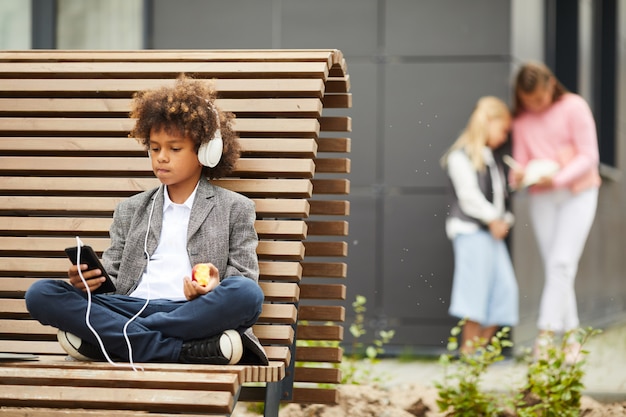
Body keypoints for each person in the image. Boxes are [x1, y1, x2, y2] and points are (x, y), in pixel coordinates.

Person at [25, 75, 268, 366]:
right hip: (128, 308)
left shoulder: (235, 208)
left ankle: (114, 342)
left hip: (191, 310)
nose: (161, 158)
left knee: (247, 295)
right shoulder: (131, 209)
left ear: (205, 151)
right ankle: (178, 350)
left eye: (174, 149)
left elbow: (244, 280)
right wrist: (87, 284)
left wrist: (211, 289)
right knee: (41, 294)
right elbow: (113, 284)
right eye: (154, 148)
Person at [510, 61, 601, 362]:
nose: (535, 105)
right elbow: (521, 162)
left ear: (550, 85)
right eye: (528, 101)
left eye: (538, 98)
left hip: (578, 193)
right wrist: (520, 176)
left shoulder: (574, 107)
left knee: (561, 263)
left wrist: (559, 178)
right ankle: (572, 339)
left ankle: (544, 339)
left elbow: (589, 155)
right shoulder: (521, 121)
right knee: (558, 269)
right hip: (542, 197)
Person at [441, 96, 519, 355]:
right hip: (471, 232)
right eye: (503, 129)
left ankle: (478, 355)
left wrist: (504, 218)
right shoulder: (459, 157)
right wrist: (493, 219)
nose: (504, 136)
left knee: (504, 292)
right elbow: (470, 198)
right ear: (490, 122)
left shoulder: (493, 159)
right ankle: (468, 354)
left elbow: (498, 198)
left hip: (491, 234)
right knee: (474, 294)